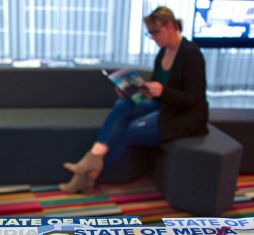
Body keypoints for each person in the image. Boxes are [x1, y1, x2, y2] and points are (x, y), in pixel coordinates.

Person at [59, 6, 208, 193]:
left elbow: (194, 99)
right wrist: (133, 90)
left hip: (183, 116)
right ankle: (91, 163)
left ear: (170, 26)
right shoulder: (163, 52)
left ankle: (88, 173)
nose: (153, 37)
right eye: (150, 34)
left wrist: (164, 92)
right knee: (123, 104)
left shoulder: (191, 54)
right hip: (163, 105)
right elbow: (156, 87)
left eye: (156, 32)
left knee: (126, 131)